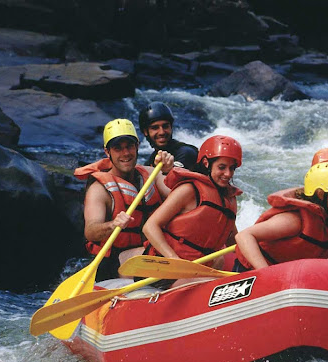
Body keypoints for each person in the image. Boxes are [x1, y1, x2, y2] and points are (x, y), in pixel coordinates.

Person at [74, 118, 174, 281]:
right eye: (118, 148)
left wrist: (170, 172)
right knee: (155, 257)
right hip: (115, 261)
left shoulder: (151, 174)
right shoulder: (99, 190)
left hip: (153, 248)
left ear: (137, 146)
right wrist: (113, 224)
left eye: (129, 146)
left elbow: (181, 197)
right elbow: (90, 231)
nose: (125, 153)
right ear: (108, 152)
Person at [234, 162, 328, 271]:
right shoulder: (295, 220)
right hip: (250, 273)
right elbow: (244, 236)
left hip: (287, 277)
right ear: (321, 194)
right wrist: (266, 273)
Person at [142, 135, 242, 264]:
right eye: (222, 167)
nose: (228, 174)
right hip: (165, 265)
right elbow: (150, 227)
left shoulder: (229, 200)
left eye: (232, 168)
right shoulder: (189, 190)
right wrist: (173, 259)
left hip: (200, 268)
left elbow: (232, 241)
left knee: (220, 259)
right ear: (207, 163)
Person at [139, 102, 200, 172]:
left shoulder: (186, 153)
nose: (161, 132)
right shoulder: (150, 160)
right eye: (155, 128)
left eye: (165, 126)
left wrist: (168, 170)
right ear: (145, 132)